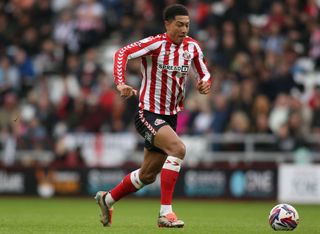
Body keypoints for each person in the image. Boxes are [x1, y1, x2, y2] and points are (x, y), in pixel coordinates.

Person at [95, 4, 212, 228]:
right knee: (178, 149)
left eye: (187, 25)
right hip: (148, 113)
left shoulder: (192, 47)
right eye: (179, 24)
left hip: (170, 117)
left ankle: (106, 199)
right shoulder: (155, 44)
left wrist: (205, 83)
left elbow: (204, 71)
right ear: (167, 24)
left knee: (147, 176)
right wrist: (120, 83)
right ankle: (165, 214)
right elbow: (122, 53)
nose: (184, 29)